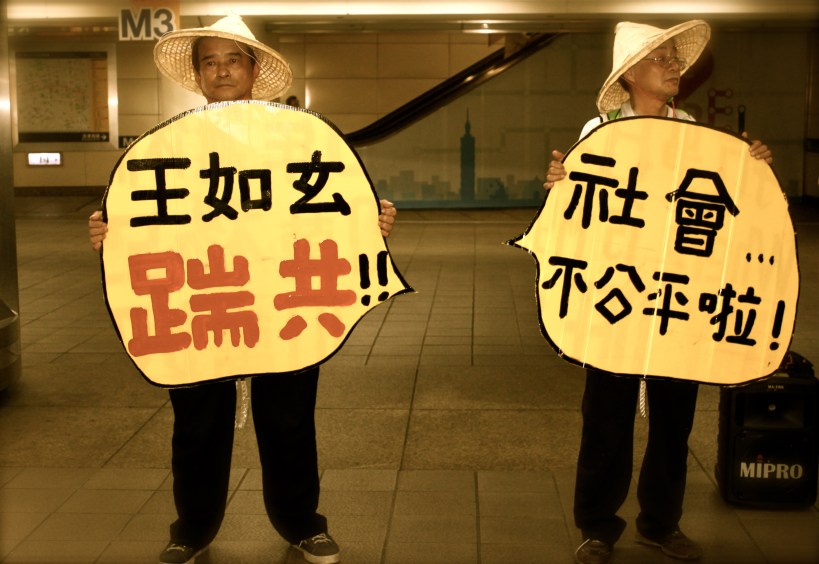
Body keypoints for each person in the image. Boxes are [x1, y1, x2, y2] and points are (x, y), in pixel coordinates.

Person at [88, 14, 396, 564]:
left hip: (281, 296)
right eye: (210, 61)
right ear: (198, 76)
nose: (221, 70)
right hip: (203, 297)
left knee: (291, 416)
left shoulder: (296, 138)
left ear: (253, 70)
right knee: (197, 421)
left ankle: (302, 522)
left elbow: (334, 206)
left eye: (232, 60)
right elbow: (139, 218)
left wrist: (371, 223)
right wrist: (109, 233)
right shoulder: (171, 142)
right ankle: (193, 528)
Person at [542, 20, 773, 564]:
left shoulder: (695, 132)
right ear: (629, 76)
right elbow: (577, 218)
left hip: (678, 297)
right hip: (617, 294)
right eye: (662, 58)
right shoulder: (599, 131)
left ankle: (661, 522)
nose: (675, 67)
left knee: (674, 417)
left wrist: (752, 170)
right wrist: (558, 187)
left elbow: (720, 211)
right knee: (607, 417)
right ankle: (598, 526)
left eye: (675, 59)